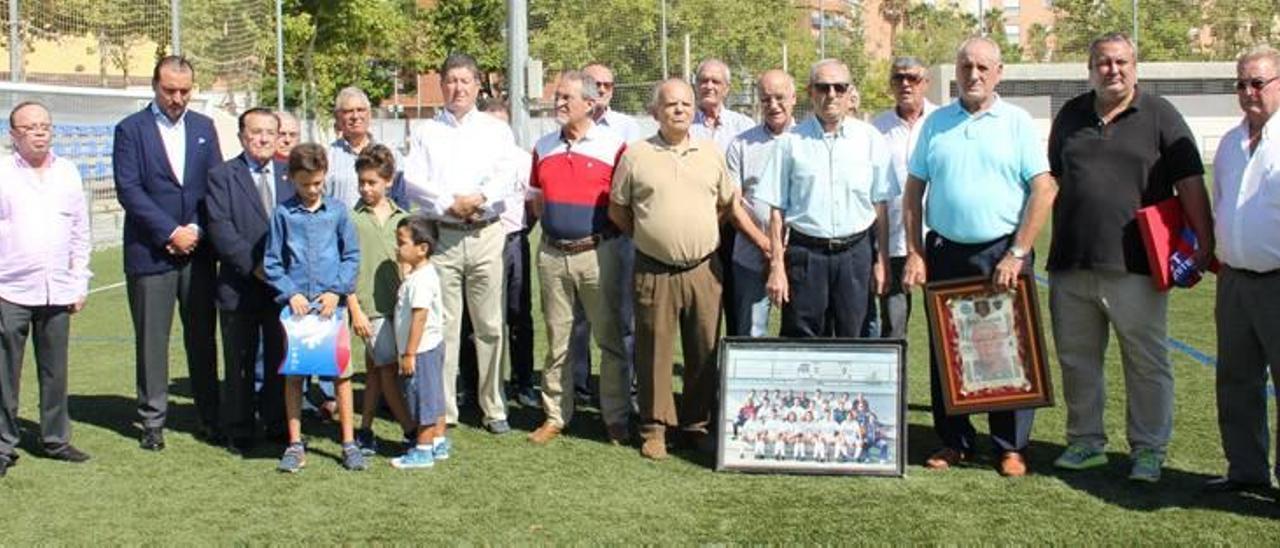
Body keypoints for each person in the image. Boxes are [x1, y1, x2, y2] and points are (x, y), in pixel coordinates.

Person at [1045, 33, 1213, 483]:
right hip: (1071, 263)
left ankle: (1149, 449)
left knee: (1146, 361)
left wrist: (1204, 243)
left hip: (1136, 267)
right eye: (1103, 62)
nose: (1112, 70)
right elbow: (1052, 180)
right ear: (1090, 67)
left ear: (1135, 67)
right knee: (1077, 360)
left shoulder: (1160, 114)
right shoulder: (1070, 115)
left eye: (1120, 62)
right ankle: (1085, 441)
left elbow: (1191, 182)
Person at [902, 37, 1056, 477]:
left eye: (983, 67)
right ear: (956, 70)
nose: (973, 74)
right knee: (948, 350)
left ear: (999, 72)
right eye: (966, 66)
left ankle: (1010, 446)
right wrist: (915, 250)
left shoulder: (1017, 122)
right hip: (946, 250)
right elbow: (914, 191)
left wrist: (1017, 252)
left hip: (1001, 252)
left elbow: (1044, 189)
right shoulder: (936, 124)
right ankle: (955, 441)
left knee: (1006, 348)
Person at [609, 78, 735, 460]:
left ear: (694, 108)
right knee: (654, 351)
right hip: (654, 270)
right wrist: (651, 238)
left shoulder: (711, 153)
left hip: (703, 270)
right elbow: (618, 210)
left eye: (685, 103)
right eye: (670, 104)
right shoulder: (636, 155)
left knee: (703, 349)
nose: (679, 109)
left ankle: (696, 425)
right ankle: (654, 427)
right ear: (655, 112)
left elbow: (726, 205)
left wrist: (696, 234)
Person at [403, 53, 517, 433]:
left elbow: (508, 172)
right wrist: (448, 202)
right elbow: (414, 178)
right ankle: (445, 408)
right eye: (451, 80)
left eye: (465, 81)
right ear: (442, 85)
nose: (458, 88)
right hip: (445, 237)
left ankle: (493, 407)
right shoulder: (426, 131)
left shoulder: (495, 129)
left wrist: (479, 197)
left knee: (490, 326)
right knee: (445, 327)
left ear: (477, 85)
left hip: (485, 233)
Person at [113, 55, 223, 451]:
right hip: (151, 253)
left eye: (185, 90)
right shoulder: (130, 130)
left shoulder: (205, 128)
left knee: (201, 336)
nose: (177, 98)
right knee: (152, 340)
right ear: (154, 86)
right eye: (170, 90)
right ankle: (152, 421)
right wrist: (169, 231)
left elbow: (214, 185)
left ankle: (210, 415)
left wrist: (194, 229)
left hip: (197, 251)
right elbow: (129, 190)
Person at [525, 70, 632, 445]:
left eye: (566, 97)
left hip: (598, 254)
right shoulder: (542, 146)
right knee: (558, 340)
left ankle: (616, 417)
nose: (558, 102)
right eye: (557, 96)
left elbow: (624, 202)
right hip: (552, 255)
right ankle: (555, 414)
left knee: (610, 339)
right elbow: (537, 199)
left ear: (590, 103)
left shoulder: (615, 146)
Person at [759, 59, 894, 339]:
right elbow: (776, 212)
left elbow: (881, 207)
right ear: (811, 92)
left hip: (855, 255)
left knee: (855, 338)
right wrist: (777, 268)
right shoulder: (790, 142)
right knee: (802, 340)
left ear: (849, 93)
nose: (831, 94)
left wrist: (882, 262)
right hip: (805, 256)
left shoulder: (870, 139)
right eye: (823, 87)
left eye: (839, 87)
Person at [0, 101, 93, 476]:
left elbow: (79, 231)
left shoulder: (67, 172)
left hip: (57, 289)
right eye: (30, 127)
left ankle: (55, 439)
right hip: (10, 289)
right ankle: (4, 445)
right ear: (13, 134)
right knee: (6, 371)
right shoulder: (3, 172)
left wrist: (80, 279)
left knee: (55, 369)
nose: (39, 133)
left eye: (45, 126)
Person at [264, 143, 365, 472]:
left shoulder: (337, 212)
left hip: (331, 310)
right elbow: (272, 262)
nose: (312, 190)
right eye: (305, 184)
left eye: (318, 183)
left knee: (341, 376)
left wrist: (337, 291)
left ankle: (349, 442)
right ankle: (295, 444)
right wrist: (290, 293)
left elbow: (350, 256)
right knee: (294, 376)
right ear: (291, 178)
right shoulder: (283, 214)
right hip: (297, 313)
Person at [1206, 45, 1280, 495]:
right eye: (1241, 83)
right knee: (1236, 380)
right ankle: (1246, 469)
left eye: (1259, 82)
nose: (1249, 92)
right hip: (1233, 280)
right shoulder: (1231, 144)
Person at [203, 107, 294, 452]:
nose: (263, 138)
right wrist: (258, 266)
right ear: (242, 136)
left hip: (282, 290)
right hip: (239, 286)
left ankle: (276, 421)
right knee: (240, 362)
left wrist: (283, 274)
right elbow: (221, 229)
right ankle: (239, 428)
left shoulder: (290, 174)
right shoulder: (222, 176)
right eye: (255, 132)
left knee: (278, 357)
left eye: (270, 132)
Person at [456, 98, 538, 409]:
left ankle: (522, 382)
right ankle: (473, 383)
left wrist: (519, 233)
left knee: (518, 315)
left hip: (511, 242)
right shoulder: (468, 157)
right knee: (471, 318)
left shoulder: (521, 159)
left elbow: (534, 203)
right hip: (475, 240)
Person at [569, 62, 642, 404]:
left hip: (618, 236)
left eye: (606, 85)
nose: (600, 90)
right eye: (593, 84)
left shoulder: (629, 128)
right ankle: (580, 384)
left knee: (623, 316)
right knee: (578, 319)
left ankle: (624, 385)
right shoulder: (567, 127)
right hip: (577, 238)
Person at [348, 144, 416, 456]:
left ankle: (364, 430)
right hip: (369, 308)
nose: (366, 188)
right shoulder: (351, 219)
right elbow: (345, 267)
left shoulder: (405, 219)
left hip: (398, 306)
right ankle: (410, 430)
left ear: (389, 181)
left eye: (372, 182)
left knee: (375, 371)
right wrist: (355, 309)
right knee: (388, 369)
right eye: (362, 182)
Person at [870, 57, 937, 340]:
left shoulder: (942, 121)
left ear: (926, 83)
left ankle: (942, 386)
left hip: (938, 240)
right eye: (898, 78)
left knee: (945, 328)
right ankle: (898, 386)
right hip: (894, 242)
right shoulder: (876, 128)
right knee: (893, 331)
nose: (905, 84)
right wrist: (879, 255)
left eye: (913, 78)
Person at [724, 69, 795, 337]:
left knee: (800, 333)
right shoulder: (741, 144)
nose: (773, 105)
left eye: (780, 97)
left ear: (794, 98)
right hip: (750, 255)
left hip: (797, 254)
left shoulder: (806, 140)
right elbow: (733, 204)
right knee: (750, 334)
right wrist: (766, 245)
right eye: (766, 99)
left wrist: (783, 250)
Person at [692, 59, 756, 341]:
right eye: (704, 80)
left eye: (716, 81)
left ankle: (733, 371)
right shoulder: (684, 125)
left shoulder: (744, 127)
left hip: (735, 228)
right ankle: (704, 371)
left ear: (727, 88)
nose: (709, 86)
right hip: (695, 228)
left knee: (737, 304)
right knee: (701, 308)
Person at [389, 216, 450, 469]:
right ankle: (439, 441)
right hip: (429, 347)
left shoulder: (422, 280)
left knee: (423, 399)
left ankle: (423, 449)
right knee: (435, 395)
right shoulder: (421, 273)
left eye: (402, 243)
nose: (397, 248)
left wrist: (409, 353)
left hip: (421, 349)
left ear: (422, 248)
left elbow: (419, 316)